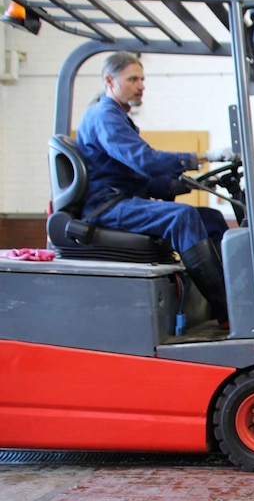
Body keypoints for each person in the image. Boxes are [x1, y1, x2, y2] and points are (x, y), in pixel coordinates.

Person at [76, 51, 232, 327]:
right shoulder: (105, 116)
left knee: (212, 219)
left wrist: (199, 182)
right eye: (133, 79)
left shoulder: (119, 118)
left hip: (123, 199)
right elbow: (145, 161)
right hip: (107, 206)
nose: (141, 85)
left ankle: (234, 296)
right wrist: (204, 156)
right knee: (182, 217)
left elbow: (144, 179)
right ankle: (227, 311)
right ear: (110, 81)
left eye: (142, 79)